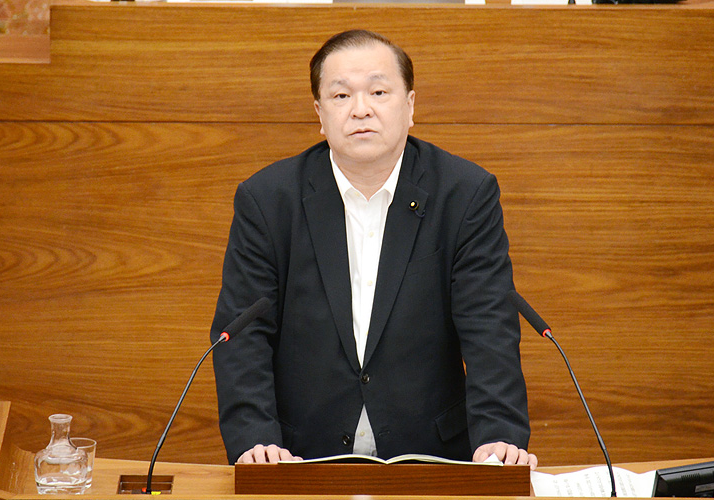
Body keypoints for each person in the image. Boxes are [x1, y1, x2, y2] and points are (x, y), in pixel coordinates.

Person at [210, 29, 536, 467]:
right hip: (300, 458)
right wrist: (256, 441)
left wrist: (498, 437)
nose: (360, 109)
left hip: (432, 457)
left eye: (378, 92)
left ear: (410, 106)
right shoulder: (269, 200)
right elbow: (243, 334)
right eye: (341, 95)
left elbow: (489, 327)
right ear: (319, 113)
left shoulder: (464, 194)